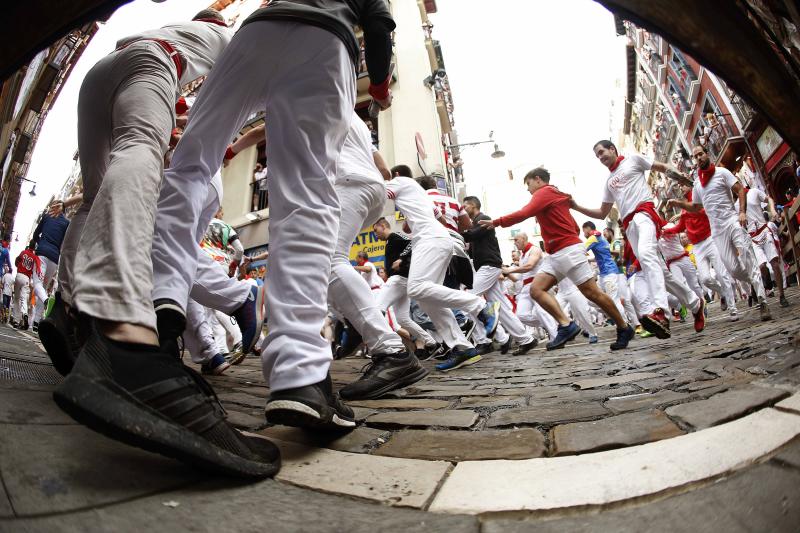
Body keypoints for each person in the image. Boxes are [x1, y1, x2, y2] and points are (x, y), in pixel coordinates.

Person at [143, 1, 397, 475]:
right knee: (306, 195)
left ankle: (160, 310)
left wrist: (236, 143)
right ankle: (300, 376)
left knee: (189, 165)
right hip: (325, 39)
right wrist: (379, 85)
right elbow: (379, 22)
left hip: (254, 34)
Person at [50, 10, 281, 479]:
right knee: (141, 149)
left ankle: (70, 310)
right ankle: (125, 335)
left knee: (93, 199)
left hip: (101, 75)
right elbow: (258, 105)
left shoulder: (180, 31)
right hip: (153, 63)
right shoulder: (232, 38)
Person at [324, 112, 426, 401]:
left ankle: (390, 351)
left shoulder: (310, 91)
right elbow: (382, 166)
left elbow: (263, 131)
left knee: (328, 260)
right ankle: (358, 323)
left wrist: (232, 149)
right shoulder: (351, 113)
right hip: (370, 189)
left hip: (347, 181)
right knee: (323, 260)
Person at [481, 167, 635, 351]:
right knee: (537, 290)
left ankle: (623, 327)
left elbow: (524, 213)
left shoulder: (544, 192)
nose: (528, 189)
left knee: (592, 293)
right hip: (556, 254)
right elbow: (574, 227)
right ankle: (566, 325)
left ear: (538, 179)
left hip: (567, 251)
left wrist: (496, 222)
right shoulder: (554, 194)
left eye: (529, 184)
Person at [571, 140, 705, 339]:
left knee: (646, 254)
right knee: (661, 271)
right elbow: (602, 212)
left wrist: (680, 177)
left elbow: (662, 167)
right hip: (630, 225)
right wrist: (575, 206)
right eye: (597, 155)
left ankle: (661, 312)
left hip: (645, 214)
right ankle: (695, 303)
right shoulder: (608, 183)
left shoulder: (633, 160)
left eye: (601, 152)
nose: (600, 157)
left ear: (612, 149)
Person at [384, 175, 500, 372]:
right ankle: (461, 347)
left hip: (429, 240)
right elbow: (441, 219)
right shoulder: (421, 196)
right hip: (436, 239)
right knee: (427, 300)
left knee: (415, 288)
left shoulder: (398, 182)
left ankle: (482, 307)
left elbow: (375, 199)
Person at [666, 144, 771, 321]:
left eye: (700, 154)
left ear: (707, 154)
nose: (698, 158)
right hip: (717, 231)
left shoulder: (722, 173)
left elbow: (740, 190)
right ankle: (755, 281)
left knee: (747, 257)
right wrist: (678, 204)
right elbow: (696, 207)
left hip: (732, 221)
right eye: (695, 156)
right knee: (734, 270)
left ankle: (763, 300)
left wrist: (742, 212)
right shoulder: (698, 184)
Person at [461, 196, 538, 356]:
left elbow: (471, 235)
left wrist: (453, 231)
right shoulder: (476, 223)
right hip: (488, 267)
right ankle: (525, 339)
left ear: (473, 205)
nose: (463, 209)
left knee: (466, 300)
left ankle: (484, 340)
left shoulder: (483, 219)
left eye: (465, 206)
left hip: (489, 266)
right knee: (501, 308)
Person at [663, 183, 738, 321]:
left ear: (690, 185)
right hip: (697, 246)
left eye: (682, 185)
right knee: (705, 279)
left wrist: (682, 208)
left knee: (722, 274)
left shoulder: (699, 201)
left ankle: (733, 309)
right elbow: (680, 228)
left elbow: (701, 211)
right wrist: (665, 231)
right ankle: (722, 293)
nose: (680, 187)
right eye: (679, 185)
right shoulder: (684, 210)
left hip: (710, 240)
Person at [372, 217, 443, 360]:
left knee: (377, 310)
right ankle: (431, 343)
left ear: (383, 226)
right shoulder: (390, 241)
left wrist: (402, 259)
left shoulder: (395, 236)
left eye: (376, 230)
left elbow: (414, 242)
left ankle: (390, 349)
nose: (375, 234)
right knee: (402, 319)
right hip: (402, 282)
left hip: (398, 280)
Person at [503, 233, 559, 342]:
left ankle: (555, 337)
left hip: (538, 284)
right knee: (521, 315)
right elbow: (518, 277)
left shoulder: (535, 249)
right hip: (526, 288)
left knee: (541, 311)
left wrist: (509, 270)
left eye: (516, 240)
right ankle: (554, 322)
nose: (515, 242)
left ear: (524, 239)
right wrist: (505, 272)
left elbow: (530, 266)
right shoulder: (522, 256)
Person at [738, 187, 788, 307]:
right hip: (752, 239)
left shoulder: (753, 192)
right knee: (762, 267)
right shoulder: (735, 205)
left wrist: (773, 210)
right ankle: (766, 284)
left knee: (774, 263)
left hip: (764, 231)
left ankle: (782, 296)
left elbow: (769, 199)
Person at [29, 202, 70, 329]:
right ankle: (36, 323)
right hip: (54, 258)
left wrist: (40, 242)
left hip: (42, 254)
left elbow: (35, 234)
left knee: (37, 284)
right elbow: (64, 243)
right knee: (43, 287)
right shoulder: (66, 223)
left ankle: (46, 300)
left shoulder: (47, 217)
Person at [582, 221, 627, 319]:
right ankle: (612, 314)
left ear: (588, 228)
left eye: (583, 230)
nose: (583, 233)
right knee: (592, 300)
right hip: (603, 275)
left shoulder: (594, 237)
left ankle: (625, 323)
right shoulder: (600, 238)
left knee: (614, 301)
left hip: (609, 273)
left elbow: (581, 250)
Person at [13, 246, 40, 330]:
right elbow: (36, 269)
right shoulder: (34, 257)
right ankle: (25, 313)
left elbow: (16, 262)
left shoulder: (23, 252)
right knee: (23, 299)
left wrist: (18, 266)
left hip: (19, 275)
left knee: (16, 298)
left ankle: (16, 320)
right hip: (26, 278)